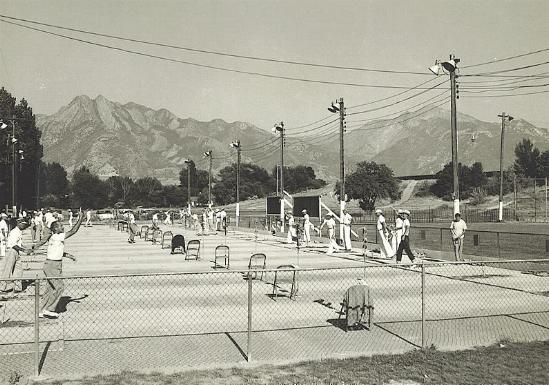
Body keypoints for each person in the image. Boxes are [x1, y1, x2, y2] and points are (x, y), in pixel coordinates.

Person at [33, 210, 84, 318]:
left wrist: (68, 255)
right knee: (59, 287)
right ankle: (49, 309)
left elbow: (57, 251)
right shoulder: (57, 236)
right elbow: (73, 231)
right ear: (55, 229)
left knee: (50, 288)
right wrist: (80, 219)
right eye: (61, 226)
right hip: (53, 265)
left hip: (50, 264)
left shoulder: (53, 238)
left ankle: (42, 310)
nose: (63, 227)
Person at [0, 218, 31, 295]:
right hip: (11, 251)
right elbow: (13, 245)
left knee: (18, 269)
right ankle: (2, 288)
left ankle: (17, 287)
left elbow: (18, 243)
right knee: (8, 269)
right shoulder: (14, 232)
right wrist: (24, 250)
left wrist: (26, 248)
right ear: (19, 223)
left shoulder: (19, 231)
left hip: (16, 252)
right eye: (23, 224)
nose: (24, 226)